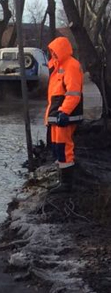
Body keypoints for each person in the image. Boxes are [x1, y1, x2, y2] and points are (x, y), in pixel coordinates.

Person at [45, 36, 85, 193]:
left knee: (64, 147)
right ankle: (61, 180)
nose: (52, 55)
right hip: (58, 115)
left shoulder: (71, 66)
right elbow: (54, 95)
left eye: (54, 52)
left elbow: (73, 93)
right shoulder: (57, 66)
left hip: (64, 116)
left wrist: (64, 111)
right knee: (57, 148)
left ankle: (67, 184)